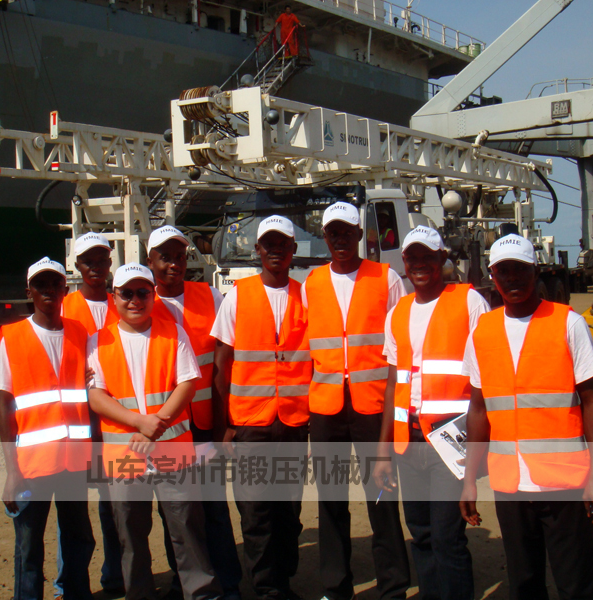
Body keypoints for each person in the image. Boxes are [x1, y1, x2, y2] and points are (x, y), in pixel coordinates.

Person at [459, 234, 593, 600]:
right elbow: (478, 410)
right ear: (492, 275)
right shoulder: (483, 332)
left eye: (520, 270)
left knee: (576, 585)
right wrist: (468, 478)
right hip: (510, 485)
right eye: (503, 271)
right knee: (524, 584)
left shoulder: (568, 323)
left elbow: (592, 402)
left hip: (565, 483)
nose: (511, 278)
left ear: (536, 272)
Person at [87, 263, 222, 600]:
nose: (135, 300)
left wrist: (154, 425)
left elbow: (188, 384)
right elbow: (96, 396)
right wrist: (139, 423)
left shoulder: (173, 332)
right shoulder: (97, 342)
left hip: (172, 455)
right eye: (127, 293)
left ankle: (201, 594)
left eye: (143, 292)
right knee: (131, 539)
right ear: (114, 297)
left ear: (152, 294)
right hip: (124, 458)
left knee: (187, 533)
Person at [302, 202, 410, 600]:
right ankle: (335, 586)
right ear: (325, 236)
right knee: (331, 501)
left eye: (348, 232)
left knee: (382, 498)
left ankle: (394, 585)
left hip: (372, 406)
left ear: (360, 235)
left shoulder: (386, 278)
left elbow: (402, 342)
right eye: (334, 232)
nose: (341, 239)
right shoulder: (311, 283)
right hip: (326, 407)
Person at [375, 227, 489, 600]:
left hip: (449, 442)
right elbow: (393, 384)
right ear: (404, 263)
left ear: (442, 259)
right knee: (421, 535)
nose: (420, 264)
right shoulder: (398, 312)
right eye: (413, 257)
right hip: (409, 442)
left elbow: (484, 378)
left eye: (428, 257)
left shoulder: (469, 302)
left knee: (446, 537)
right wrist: (383, 450)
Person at [212, 215, 311, 600]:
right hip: (251, 426)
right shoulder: (238, 295)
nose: (275, 250)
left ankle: (283, 580)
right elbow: (222, 365)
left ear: (293, 251)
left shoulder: (306, 297)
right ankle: (267, 589)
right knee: (256, 513)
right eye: (268, 244)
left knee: (287, 510)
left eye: (282, 244)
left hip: (292, 422)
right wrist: (226, 424)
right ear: (257, 250)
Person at [147, 225, 243, 600]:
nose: (174, 264)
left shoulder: (210, 296)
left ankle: (228, 582)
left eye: (180, 256)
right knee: (176, 513)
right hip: (168, 431)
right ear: (150, 260)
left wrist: (226, 425)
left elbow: (224, 365)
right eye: (165, 257)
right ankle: (184, 580)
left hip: (205, 426)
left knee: (214, 507)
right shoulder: (140, 301)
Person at [0, 256, 95, 600]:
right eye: (41, 285)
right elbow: (5, 409)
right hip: (32, 465)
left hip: (72, 463)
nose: (48, 290)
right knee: (28, 548)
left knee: (78, 540)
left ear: (64, 289)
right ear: (30, 291)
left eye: (54, 284)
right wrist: (12, 473)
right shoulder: (13, 337)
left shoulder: (80, 334)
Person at [58, 232, 124, 598]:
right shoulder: (65, 306)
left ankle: (115, 577)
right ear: (77, 266)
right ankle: (69, 585)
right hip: (76, 422)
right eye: (89, 261)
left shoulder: (124, 299)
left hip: (114, 418)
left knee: (114, 506)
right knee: (73, 510)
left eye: (102, 260)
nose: (96, 267)